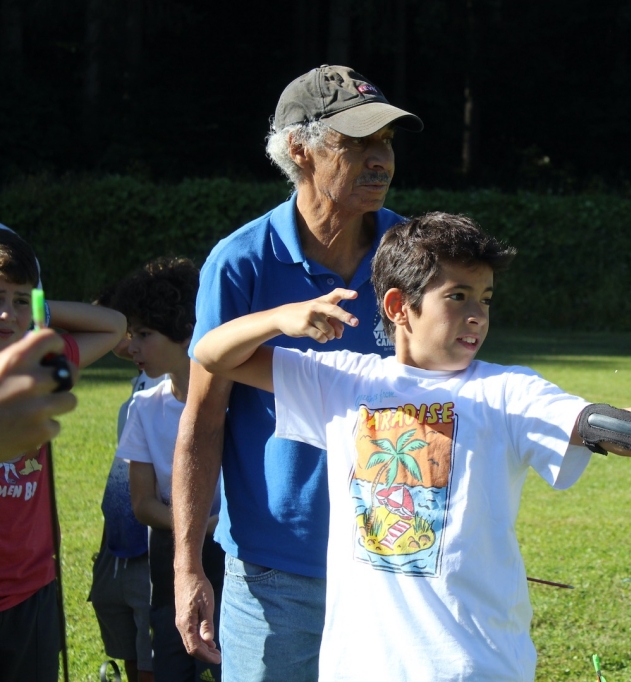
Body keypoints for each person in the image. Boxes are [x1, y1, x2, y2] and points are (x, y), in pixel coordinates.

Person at [192, 212, 631, 682]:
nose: (476, 315)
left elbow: (613, 425)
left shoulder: (507, 393)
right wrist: (282, 318)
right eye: (457, 297)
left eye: (485, 299)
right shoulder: (341, 383)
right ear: (398, 306)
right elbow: (211, 354)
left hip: (473, 666)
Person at [171, 65, 423, 681]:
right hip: (276, 572)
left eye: (386, 142)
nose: (380, 160)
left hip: (396, 562)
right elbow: (203, 417)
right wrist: (186, 566)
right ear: (299, 148)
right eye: (357, 143)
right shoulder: (240, 263)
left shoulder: (417, 255)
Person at [0, 228, 127, 682]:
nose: (6, 313)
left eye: (20, 300)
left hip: (33, 585)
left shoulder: (42, 368)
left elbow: (113, 327)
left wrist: (41, 313)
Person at [113, 258, 224, 682]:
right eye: (130, 335)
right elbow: (142, 503)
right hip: (172, 553)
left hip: (231, 553)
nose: (131, 347)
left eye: (144, 334)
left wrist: (219, 526)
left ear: (184, 334)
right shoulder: (144, 407)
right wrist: (198, 524)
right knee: (175, 660)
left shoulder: (234, 403)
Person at [87, 284, 163, 682]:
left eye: (140, 333)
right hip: (118, 541)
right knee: (127, 647)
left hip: (150, 544)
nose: (129, 342)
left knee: (151, 654)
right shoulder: (140, 380)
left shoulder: (164, 383)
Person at [0, 331, 78, 462]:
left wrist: (46, 311)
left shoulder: (41, 361)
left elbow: (114, 327)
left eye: (19, 308)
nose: (6, 313)